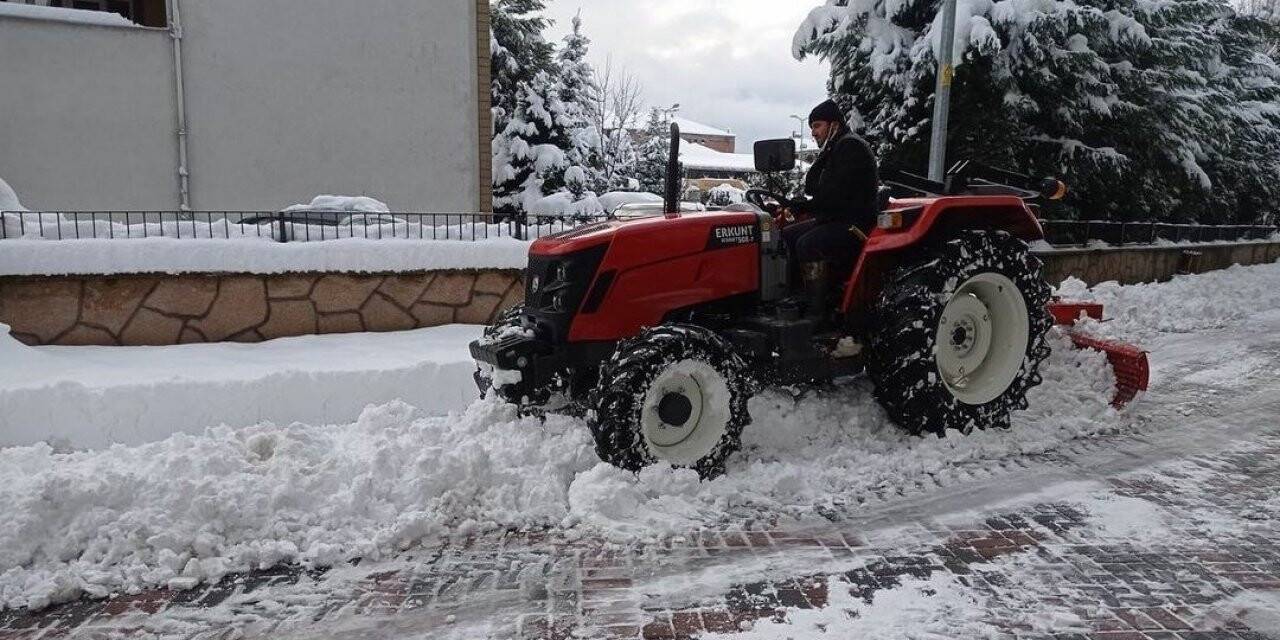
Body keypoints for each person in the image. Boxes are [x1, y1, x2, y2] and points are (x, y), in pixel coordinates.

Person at [780, 99, 880, 321]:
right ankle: (793, 295)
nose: (814, 132)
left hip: (854, 224)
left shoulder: (851, 146)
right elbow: (814, 186)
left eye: (817, 126)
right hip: (834, 218)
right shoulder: (836, 147)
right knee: (786, 235)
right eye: (812, 127)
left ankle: (817, 309)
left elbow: (836, 195)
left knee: (807, 244)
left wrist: (806, 205)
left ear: (833, 124)